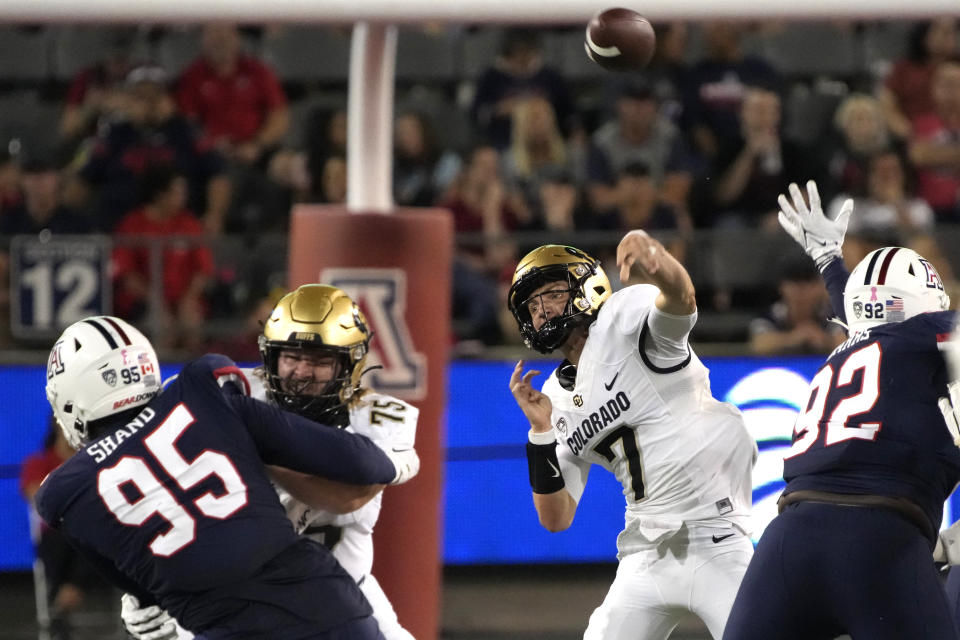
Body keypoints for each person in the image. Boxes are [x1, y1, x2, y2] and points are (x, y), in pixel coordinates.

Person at [35, 315, 420, 639]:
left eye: (317, 359)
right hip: (328, 605)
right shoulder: (205, 388)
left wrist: (144, 601)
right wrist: (398, 463)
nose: (301, 372)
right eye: (290, 356)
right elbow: (364, 466)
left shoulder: (63, 493)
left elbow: (145, 586)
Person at [723, 181, 959, 639]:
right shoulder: (922, 338)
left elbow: (869, 320)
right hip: (880, 536)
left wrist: (830, 261)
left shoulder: (855, 343)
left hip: (787, 542)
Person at [507, 237, 757, 639]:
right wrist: (541, 434)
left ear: (588, 287)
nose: (542, 310)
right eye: (532, 306)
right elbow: (557, 519)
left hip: (716, 536)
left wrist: (658, 261)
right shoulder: (553, 396)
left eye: (551, 293)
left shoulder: (626, 318)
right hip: (646, 552)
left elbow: (682, 300)